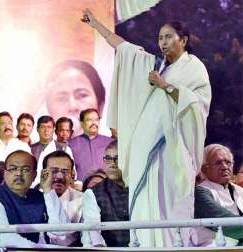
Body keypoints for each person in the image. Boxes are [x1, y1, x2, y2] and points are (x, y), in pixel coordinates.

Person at [82, 9, 211, 247]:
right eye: (160, 37)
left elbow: (198, 104)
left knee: (168, 206)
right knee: (144, 204)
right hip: (145, 151)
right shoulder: (156, 65)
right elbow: (123, 48)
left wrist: (166, 86)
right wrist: (96, 24)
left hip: (170, 153)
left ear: (183, 40)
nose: (162, 42)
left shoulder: (194, 68)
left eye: (168, 37)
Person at [0, 150, 69, 248]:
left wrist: (48, 190)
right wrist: (41, 249)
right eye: (13, 169)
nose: (19, 174)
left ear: (34, 175)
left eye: (25, 169)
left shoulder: (39, 196)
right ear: (5, 174)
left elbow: (63, 230)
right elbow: (4, 238)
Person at [193, 144, 243, 246]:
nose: (225, 167)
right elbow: (225, 223)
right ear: (204, 169)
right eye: (218, 163)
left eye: (228, 162)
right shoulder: (200, 193)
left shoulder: (239, 190)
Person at [81, 141, 129, 247]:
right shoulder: (93, 193)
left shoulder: (140, 188)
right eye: (108, 159)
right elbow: (94, 235)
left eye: (117, 159)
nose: (112, 164)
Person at [44, 60, 106, 136]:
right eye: (62, 98)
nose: (73, 106)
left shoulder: (113, 147)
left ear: (100, 107)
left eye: (82, 95)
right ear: (49, 110)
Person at [42, 150, 83, 246]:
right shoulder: (33, 198)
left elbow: (62, 234)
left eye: (65, 172)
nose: (59, 176)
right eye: (54, 171)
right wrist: (48, 190)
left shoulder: (82, 200)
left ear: (72, 175)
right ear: (43, 173)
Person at [69, 108, 114, 181]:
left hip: (107, 188)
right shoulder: (71, 144)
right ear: (82, 123)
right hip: (81, 189)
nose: (94, 123)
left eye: (96, 120)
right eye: (89, 120)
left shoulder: (111, 143)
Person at [31, 116, 74, 187]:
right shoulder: (31, 149)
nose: (46, 130)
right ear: (37, 129)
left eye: (49, 127)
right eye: (43, 127)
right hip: (33, 189)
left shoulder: (63, 148)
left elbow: (71, 173)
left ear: (54, 129)